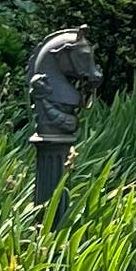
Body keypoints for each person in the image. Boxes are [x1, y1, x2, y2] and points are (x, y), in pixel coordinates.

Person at [26, 24, 102, 213]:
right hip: (51, 142)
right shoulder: (46, 89)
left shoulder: (63, 94)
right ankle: (47, 223)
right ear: (62, 54)